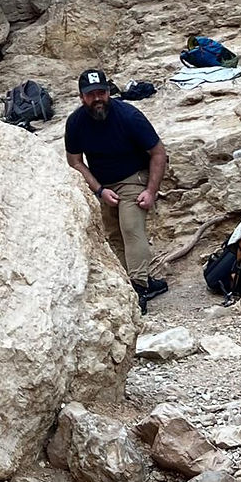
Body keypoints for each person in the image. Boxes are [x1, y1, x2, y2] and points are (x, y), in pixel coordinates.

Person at [64, 68, 169, 314]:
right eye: (91, 95)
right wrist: (99, 190)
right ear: (82, 97)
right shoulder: (76, 122)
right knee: (113, 235)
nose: (97, 98)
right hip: (103, 182)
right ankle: (130, 284)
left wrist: (151, 191)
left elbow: (158, 153)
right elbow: (75, 161)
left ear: (109, 92)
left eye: (102, 92)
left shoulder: (129, 116)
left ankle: (139, 287)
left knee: (131, 228)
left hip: (133, 177)